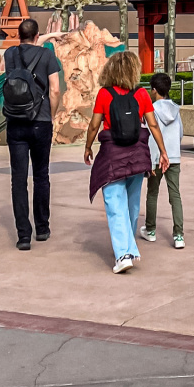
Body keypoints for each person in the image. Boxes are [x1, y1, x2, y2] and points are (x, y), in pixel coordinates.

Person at [83, 50, 168, 273]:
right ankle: (128, 248)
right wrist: (163, 151)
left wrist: (88, 147)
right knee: (132, 204)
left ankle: (123, 254)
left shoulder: (105, 94)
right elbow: (153, 125)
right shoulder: (141, 94)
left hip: (113, 155)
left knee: (114, 203)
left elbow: (94, 125)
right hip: (138, 155)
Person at [2, 17, 63, 251]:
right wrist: (52, 114)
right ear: (37, 36)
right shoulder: (47, 56)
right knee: (41, 175)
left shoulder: (10, 54)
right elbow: (55, 89)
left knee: (18, 179)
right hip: (41, 121)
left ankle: (23, 235)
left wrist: (47, 36)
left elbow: (27, 46)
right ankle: (42, 228)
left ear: (19, 36)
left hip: (15, 121)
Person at [140, 71, 185, 250]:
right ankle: (179, 235)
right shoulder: (176, 109)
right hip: (173, 156)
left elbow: (148, 134)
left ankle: (150, 230)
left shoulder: (151, 110)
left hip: (156, 157)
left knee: (152, 193)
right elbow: (180, 133)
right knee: (175, 195)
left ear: (154, 90)